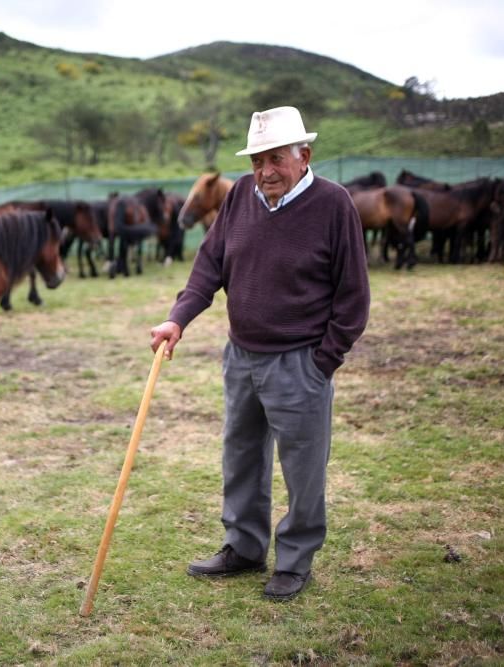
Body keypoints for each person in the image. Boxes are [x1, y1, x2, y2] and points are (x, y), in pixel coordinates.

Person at [149, 106, 370, 601]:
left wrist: (323, 362)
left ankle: (294, 561)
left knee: (303, 465)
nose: (265, 171)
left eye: (275, 159)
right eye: (256, 161)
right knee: (242, 454)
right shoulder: (239, 202)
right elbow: (210, 265)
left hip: (300, 360)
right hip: (242, 356)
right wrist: (177, 317)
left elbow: (354, 297)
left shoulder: (334, 205)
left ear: (303, 156)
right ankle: (244, 546)